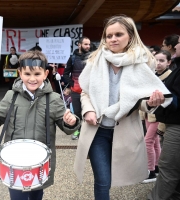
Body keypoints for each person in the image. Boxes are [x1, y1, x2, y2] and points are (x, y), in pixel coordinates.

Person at [73, 15, 172, 200]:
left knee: (113, 178)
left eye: (118, 34)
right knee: (102, 181)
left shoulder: (143, 63)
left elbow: (139, 100)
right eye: (108, 36)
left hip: (124, 130)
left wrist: (151, 103)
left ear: (130, 35)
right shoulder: (94, 61)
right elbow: (84, 92)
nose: (113, 39)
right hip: (97, 131)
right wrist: (88, 110)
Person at [0, 50, 80, 200]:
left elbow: (64, 123)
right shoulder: (11, 95)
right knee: (16, 196)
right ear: (20, 73)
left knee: (37, 195)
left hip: (39, 162)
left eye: (37, 74)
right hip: (14, 161)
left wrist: (70, 122)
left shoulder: (53, 99)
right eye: (27, 74)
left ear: (46, 74)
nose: (32, 79)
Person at [148, 35, 180, 200]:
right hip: (169, 122)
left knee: (168, 168)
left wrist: (168, 99)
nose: (176, 46)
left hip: (176, 124)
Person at [140, 50, 172, 184]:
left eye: (162, 60)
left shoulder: (170, 77)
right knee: (154, 142)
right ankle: (157, 168)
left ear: (169, 62)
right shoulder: (153, 75)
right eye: (156, 60)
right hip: (149, 113)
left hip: (159, 116)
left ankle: (151, 171)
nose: (158, 63)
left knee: (147, 141)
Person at [63, 36, 91, 140]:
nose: (88, 46)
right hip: (76, 91)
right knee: (77, 113)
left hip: (89, 91)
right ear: (79, 45)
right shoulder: (73, 58)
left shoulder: (92, 57)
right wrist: (72, 84)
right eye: (85, 44)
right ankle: (78, 131)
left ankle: (86, 132)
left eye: (89, 44)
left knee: (88, 112)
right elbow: (65, 74)